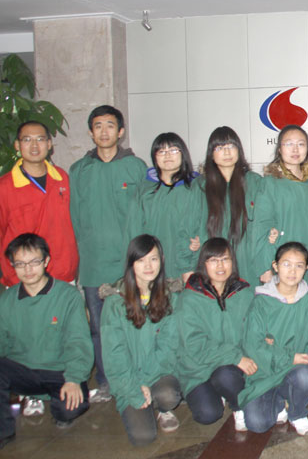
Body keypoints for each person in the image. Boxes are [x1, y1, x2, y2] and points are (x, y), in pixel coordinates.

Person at [69, 105, 147, 403]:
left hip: (129, 265)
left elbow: (143, 214)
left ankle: (138, 378)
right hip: (94, 264)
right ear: (91, 132)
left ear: (121, 131)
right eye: (98, 126)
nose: (104, 131)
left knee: (134, 324)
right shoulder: (80, 170)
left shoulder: (136, 167)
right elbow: (75, 219)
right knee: (98, 327)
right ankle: (104, 381)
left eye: (110, 125)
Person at [0, 234, 92, 449]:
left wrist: (74, 378)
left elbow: (78, 341)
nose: (28, 269)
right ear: (12, 266)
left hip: (58, 371)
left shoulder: (67, 296)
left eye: (34, 262)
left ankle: (56, 403)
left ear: (46, 261)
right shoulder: (6, 301)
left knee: (69, 410)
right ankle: (4, 431)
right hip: (22, 370)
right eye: (20, 264)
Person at [100, 234, 181, 446]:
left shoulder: (170, 297)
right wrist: (133, 389)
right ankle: (139, 402)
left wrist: (144, 381)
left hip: (156, 375)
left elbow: (169, 349)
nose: (148, 266)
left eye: (153, 259)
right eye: (141, 260)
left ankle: (161, 407)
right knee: (143, 438)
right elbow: (114, 355)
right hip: (127, 380)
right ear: (131, 263)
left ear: (162, 260)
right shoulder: (115, 302)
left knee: (170, 395)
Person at [240, 242, 308, 436]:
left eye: (299, 265)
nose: (292, 271)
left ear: (306, 268)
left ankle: (297, 413)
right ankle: (279, 400)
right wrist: (289, 357)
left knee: (306, 377)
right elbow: (253, 345)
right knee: (257, 424)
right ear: (275, 266)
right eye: (286, 264)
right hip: (264, 373)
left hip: (296, 371)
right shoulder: (261, 301)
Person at [175, 238, 254, 431]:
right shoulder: (190, 298)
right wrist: (235, 357)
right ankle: (217, 392)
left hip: (231, 369)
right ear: (204, 264)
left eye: (225, 259)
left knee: (225, 376)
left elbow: (254, 331)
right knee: (208, 414)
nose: (220, 266)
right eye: (213, 260)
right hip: (199, 369)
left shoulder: (244, 293)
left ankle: (237, 406)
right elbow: (195, 345)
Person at [0, 121, 78, 287]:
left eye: (40, 139)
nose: (34, 146)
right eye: (27, 140)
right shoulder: (4, 187)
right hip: (23, 277)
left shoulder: (61, 178)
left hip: (62, 273)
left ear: (49, 144)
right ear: (17, 145)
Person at [192, 126, 270, 286]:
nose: (227, 152)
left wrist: (265, 265)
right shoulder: (200, 186)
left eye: (231, 146)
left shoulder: (255, 182)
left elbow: (264, 224)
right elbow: (192, 226)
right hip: (214, 264)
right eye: (220, 147)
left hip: (248, 264)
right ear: (211, 154)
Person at [126, 133, 199, 283]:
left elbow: (202, 227)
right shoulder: (144, 190)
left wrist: (194, 256)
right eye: (161, 151)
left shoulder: (197, 187)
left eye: (173, 150)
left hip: (186, 267)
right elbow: (133, 230)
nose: (167, 156)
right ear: (154, 157)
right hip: (150, 266)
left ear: (183, 154)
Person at [263, 125, 308, 289]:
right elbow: (262, 225)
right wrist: (265, 266)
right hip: (284, 260)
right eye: (289, 144)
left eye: (301, 144)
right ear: (279, 149)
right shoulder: (270, 182)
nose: (295, 149)